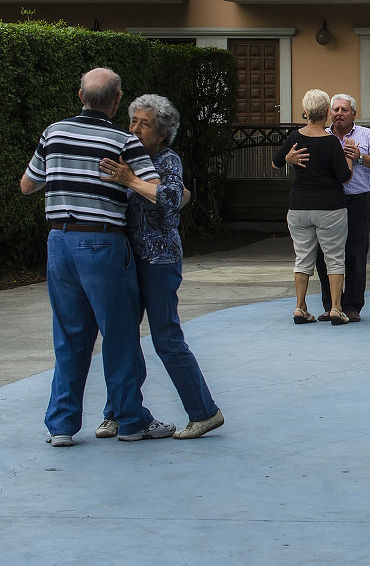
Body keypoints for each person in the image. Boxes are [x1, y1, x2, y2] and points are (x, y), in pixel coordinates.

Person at [21, 67, 175, 445]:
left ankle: (60, 426)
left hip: (60, 242)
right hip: (103, 243)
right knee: (119, 334)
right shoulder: (124, 141)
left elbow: (28, 185)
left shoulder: (53, 133)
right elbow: (155, 190)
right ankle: (130, 420)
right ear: (117, 99)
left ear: (80, 97)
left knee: (70, 336)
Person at [98, 94, 224, 439]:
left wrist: (131, 181)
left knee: (166, 338)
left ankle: (204, 412)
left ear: (162, 134)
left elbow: (169, 199)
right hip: (124, 257)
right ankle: (119, 412)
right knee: (121, 337)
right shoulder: (124, 156)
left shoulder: (167, 159)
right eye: (133, 121)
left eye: (145, 124)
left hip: (159, 259)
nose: (136, 129)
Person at [286, 94, 370, 323]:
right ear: (328, 113)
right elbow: (287, 156)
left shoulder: (366, 135)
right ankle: (331, 304)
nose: (339, 113)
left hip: (355, 201)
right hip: (327, 204)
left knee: (355, 253)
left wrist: (360, 157)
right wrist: (289, 159)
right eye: (335, 109)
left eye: (344, 110)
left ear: (354, 114)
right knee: (324, 257)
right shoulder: (322, 134)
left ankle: (352, 306)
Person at [272, 89, 353, 325]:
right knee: (335, 258)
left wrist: (288, 159)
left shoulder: (294, 137)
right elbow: (344, 177)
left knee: (302, 258)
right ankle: (337, 308)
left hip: (299, 206)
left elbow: (276, 163)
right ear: (327, 113)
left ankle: (300, 306)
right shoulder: (331, 142)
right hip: (330, 208)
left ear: (305, 112)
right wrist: (349, 157)